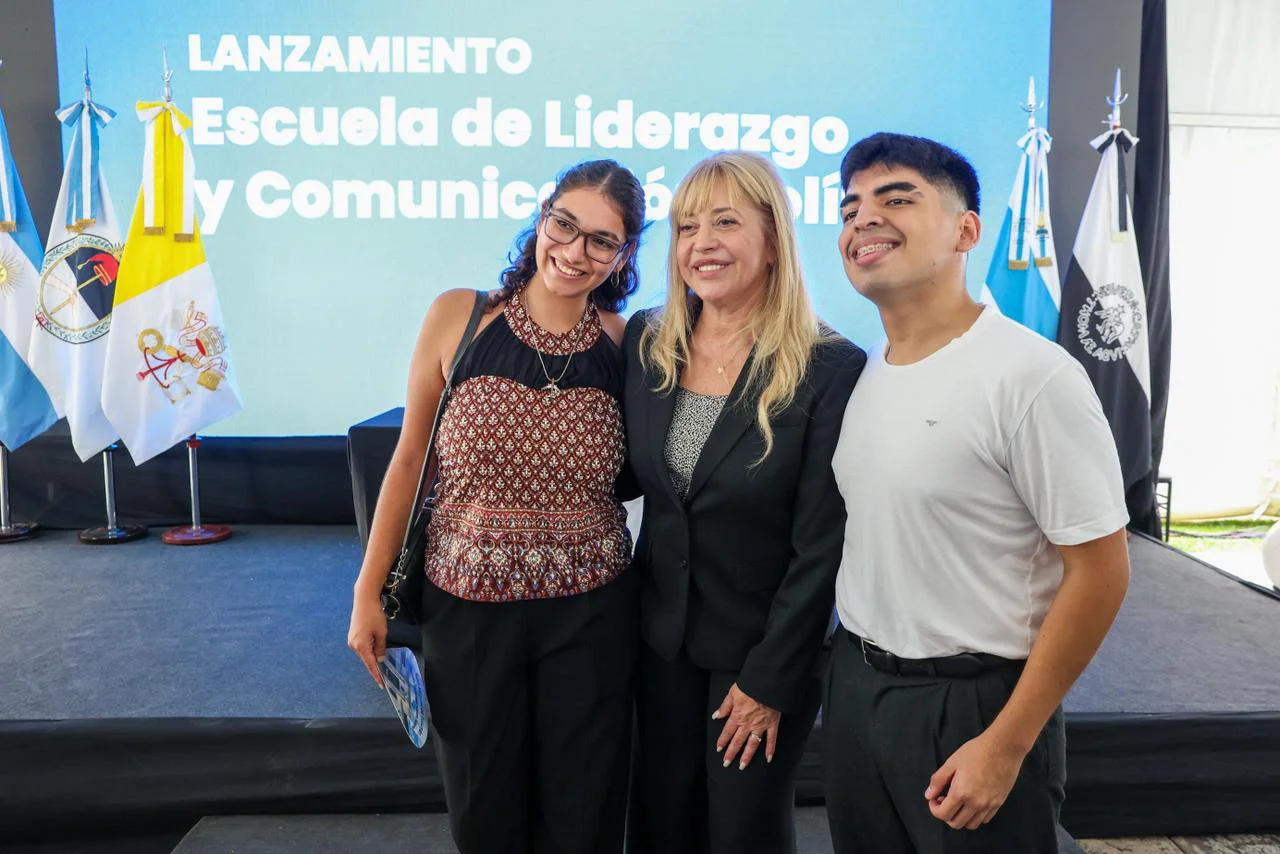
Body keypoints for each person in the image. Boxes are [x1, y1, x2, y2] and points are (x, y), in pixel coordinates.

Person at [823, 132, 1132, 853]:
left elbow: (1102, 571)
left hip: (975, 705)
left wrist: (1005, 744)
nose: (864, 219)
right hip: (859, 691)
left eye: (897, 199)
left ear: (967, 230)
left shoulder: (1030, 376)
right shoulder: (865, 372)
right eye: (850, 207)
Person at [347, 159, 646, 854]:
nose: (574, 252)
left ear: (624, 254)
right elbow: (409, 461)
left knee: (585, 814)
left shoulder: (627, 344)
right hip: (467, 609)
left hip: (593, 614)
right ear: (543, 218)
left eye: (601, 240)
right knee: (485, 814)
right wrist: (367, 590)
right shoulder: (460, 316)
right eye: (565, 225)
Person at [623, 151, 866, 854]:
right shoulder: (648, 340)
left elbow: (822, 542)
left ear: (771, 238)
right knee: (661, 827)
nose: (701, 243)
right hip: (657, 640)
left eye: (724, 222)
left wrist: (769, 680)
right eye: (686, 226)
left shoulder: (828, 366)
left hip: (760, 653)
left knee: (742, 833)